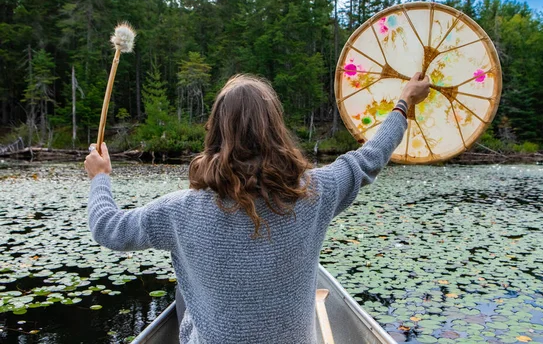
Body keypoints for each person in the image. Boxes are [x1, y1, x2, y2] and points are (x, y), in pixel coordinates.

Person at [85, 72, 430, 344]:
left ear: (216, 132)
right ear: (275, 130)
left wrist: (100, 176)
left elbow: (107, 226)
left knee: (184, 291)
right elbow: (369, 158)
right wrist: (403, 103)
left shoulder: (179, 211)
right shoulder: (315, 193)